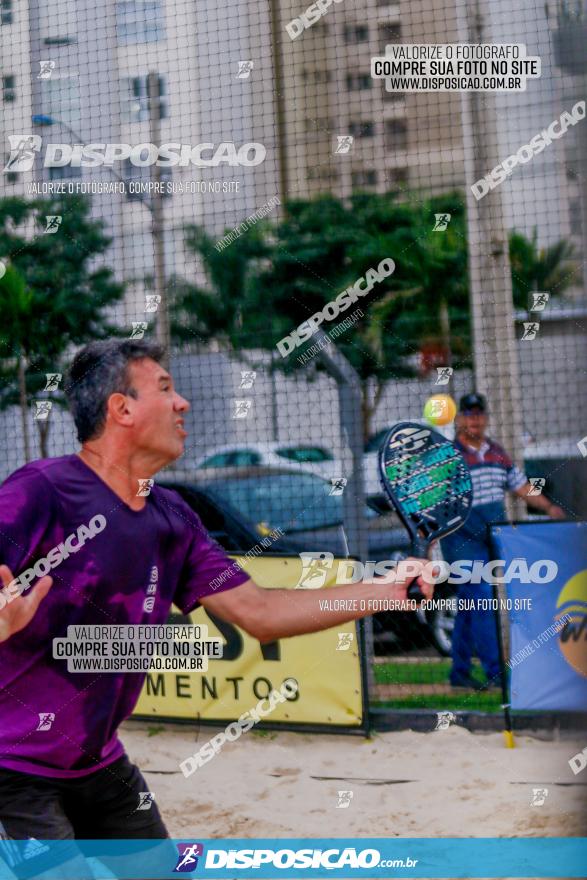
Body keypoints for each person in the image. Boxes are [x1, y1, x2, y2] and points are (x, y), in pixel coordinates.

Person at [0, 339, 432, 860]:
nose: (183, 403)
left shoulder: (173, 515)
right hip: (13, 768)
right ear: (122, 409)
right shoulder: (42, 489)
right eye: (165, 389)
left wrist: (384, 590)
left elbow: (263, 614)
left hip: (98, 763)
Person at [441, 392, 565, 690]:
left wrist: (549, 507)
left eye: (479, 414)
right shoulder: (449, 457)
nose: (475, 420)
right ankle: (496, 673)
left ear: (485, 418)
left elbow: (521, 486)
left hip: (490, 540)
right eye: (469, 414)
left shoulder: (497, 452)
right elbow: (432, 499)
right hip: (460, 541)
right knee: (483, 599)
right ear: (459, 419)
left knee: (471, 607)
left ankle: (459, 674)